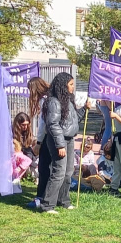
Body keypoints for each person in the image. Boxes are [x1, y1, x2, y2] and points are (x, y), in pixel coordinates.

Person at [39, 72, 92, 213]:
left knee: (68, 172)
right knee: (59, 172)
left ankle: (63, 200)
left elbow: (71, 122)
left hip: (69, 139)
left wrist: (85, 110)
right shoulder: (53, 102)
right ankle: (47, 204)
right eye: (71, 84)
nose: (73, 87)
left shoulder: (68, 100)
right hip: (58, 141)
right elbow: (53, 124)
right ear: (63, 85)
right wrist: (60, 144)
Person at [27, 77, 50, 207]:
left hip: (47, 138)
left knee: (44, 168)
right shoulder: (53, 96)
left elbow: (43, 124)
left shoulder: (44, 100)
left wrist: (39, 143)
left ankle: (41, 197)